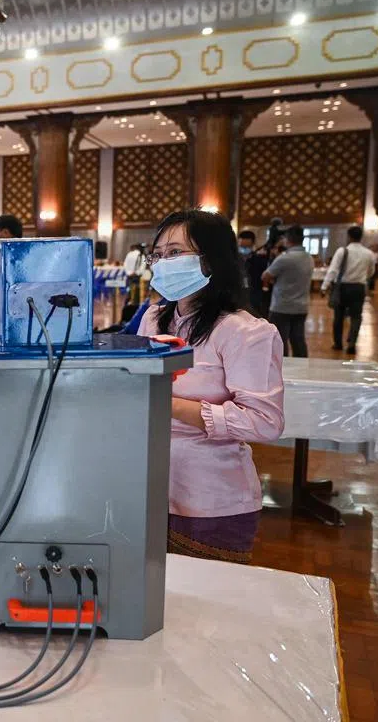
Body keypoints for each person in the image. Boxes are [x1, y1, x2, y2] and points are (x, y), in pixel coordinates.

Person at [138, 209, 284, 563]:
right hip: (147, 486)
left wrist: (165, 402)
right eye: (157, 255)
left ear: (211, 259)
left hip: (211, 499)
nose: (162, 263)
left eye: (175, 253)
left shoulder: (245, 331)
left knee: (207, 608)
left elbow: (263, 421)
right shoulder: (154, 317)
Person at [321, 225, 377, 354]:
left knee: (339, 316)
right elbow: (371, 272)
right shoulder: (368, 253)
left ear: (349, 236)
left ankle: (338, 343)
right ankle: (352, 343)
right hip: (359, 287)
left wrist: (324, 286)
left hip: (343, 288)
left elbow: (333, 270)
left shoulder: (343, 251)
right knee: (356, 316)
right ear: (361, 237)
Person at [262, 225, 314, 357]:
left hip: (282, 306)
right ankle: (302, 368)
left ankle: (282, 368)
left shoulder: (285, 258)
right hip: (301, 305)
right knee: (298, 340)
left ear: (288, 239)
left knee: (280, 340)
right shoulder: (309, 258)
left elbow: (265, 276)